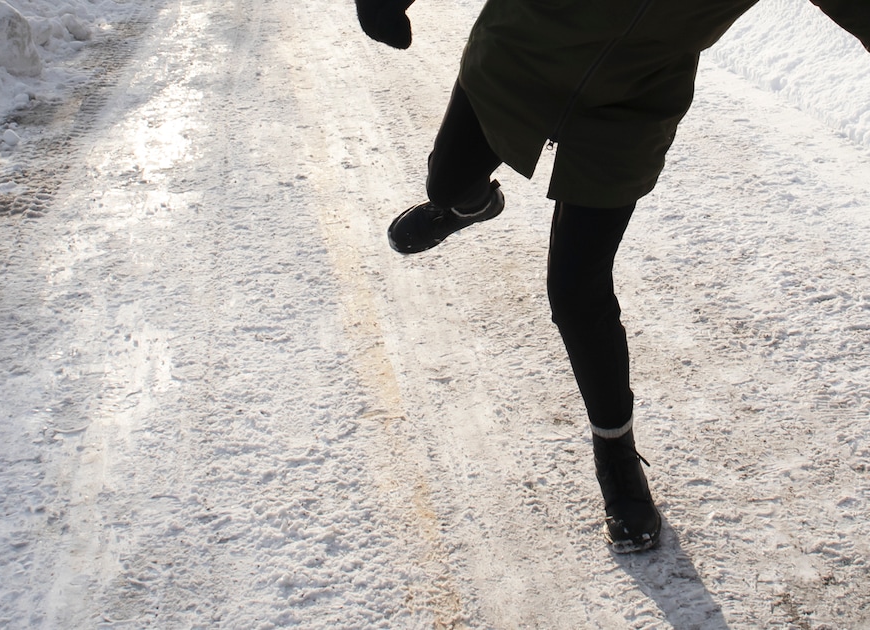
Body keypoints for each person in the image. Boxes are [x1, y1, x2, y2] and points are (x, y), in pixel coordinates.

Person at [354, 0, 870, 552]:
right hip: (520, 57)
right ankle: (464, 206)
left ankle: (617, 456)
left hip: (631, 105)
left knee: (576, 291)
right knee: (447, 182)